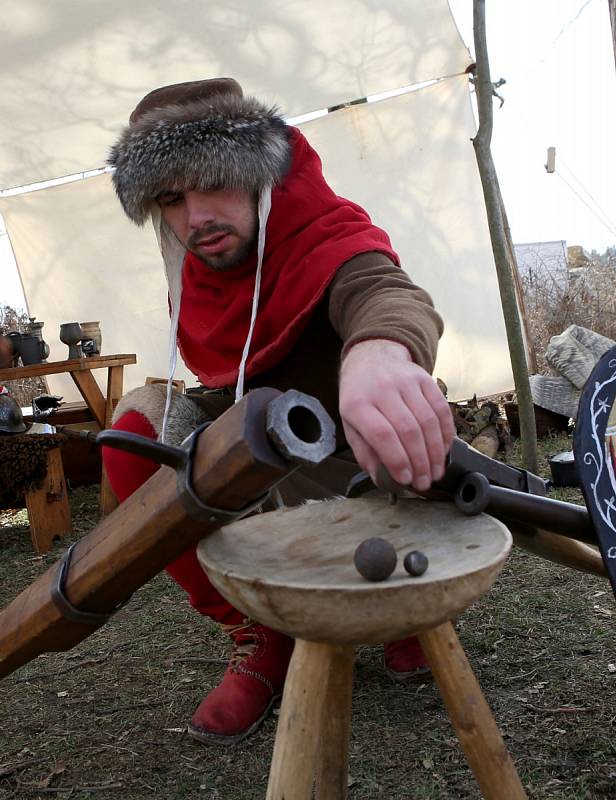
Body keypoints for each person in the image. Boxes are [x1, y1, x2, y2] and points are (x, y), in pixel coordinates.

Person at [103, 78, 455, 746]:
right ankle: (259, 634)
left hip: (351, 462)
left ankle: (409, 612)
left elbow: (378, 286)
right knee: (133, 436)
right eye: (171, 198)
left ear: (260, 174)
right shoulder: (196, 266)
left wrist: (379, 353)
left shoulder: (319, 225)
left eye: (213, 183)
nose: (195, 216)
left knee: (375, 437)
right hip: (262, 445)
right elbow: (222, 382)